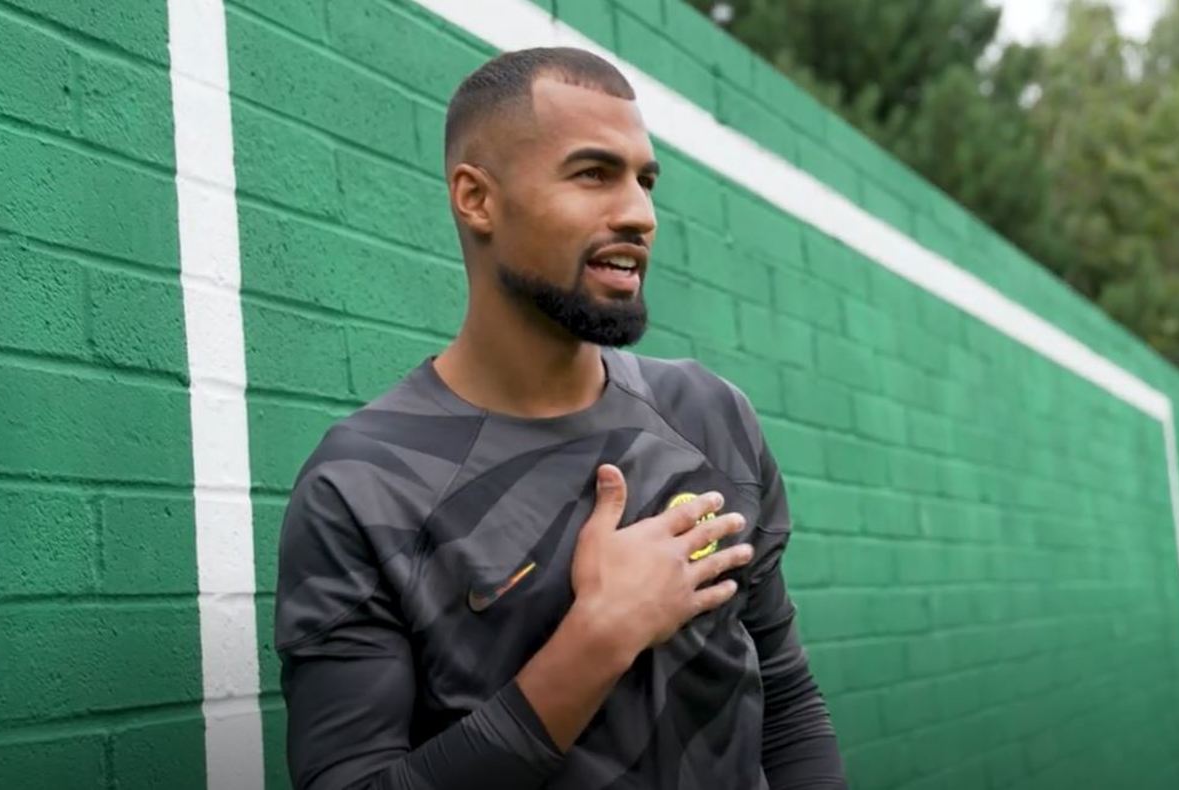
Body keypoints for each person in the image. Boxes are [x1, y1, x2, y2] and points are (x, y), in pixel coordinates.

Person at [275, 47, 847, 789]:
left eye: (645, 181)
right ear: (477, 199)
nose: (639, 214)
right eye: (593, 174)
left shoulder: (711, 417)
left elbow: (786, 701)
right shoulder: (358, 487)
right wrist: (599, 636)